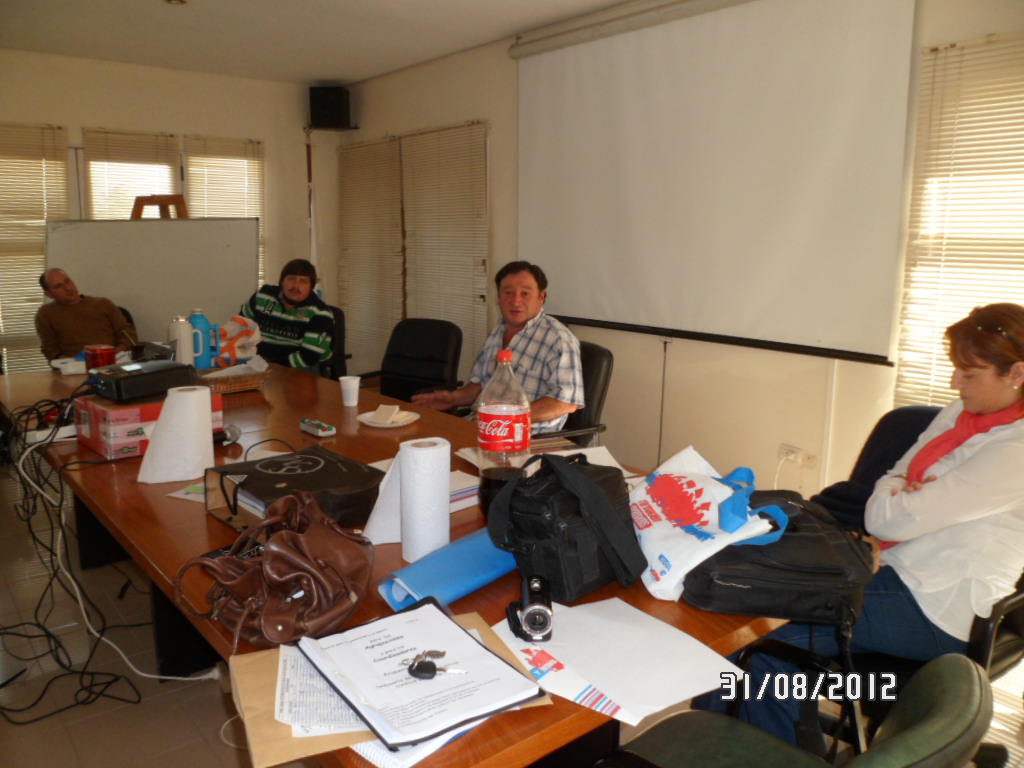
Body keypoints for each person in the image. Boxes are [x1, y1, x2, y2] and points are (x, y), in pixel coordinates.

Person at [696, 303, 1024, 743]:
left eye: (969, 373)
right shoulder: (959, 414)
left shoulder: (1016, 451)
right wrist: (905, 494)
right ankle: (727, 743)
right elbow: (893, 479)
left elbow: (885, 520)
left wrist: (905, 501)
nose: (954, 383)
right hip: (892, 567)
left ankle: (762, 750)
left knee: (755, 646)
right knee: (740, 615)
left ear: (1016, 373)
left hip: (938, 606)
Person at [412, 261, 584, 433]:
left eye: (525, 293)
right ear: (499, 297)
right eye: (508, 293)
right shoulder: (497, 332)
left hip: (526, 436)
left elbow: (565, 403)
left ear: (541, 297)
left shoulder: (558, 340)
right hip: (480, 427)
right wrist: (452, 399)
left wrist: (508, 417)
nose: (515, 301)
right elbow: (478, 386)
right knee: (418, 437)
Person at [241, 259, 334, 371]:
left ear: (311, 287)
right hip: (259, 361)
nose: (296, 286)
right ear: (282, 281)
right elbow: (240, 327)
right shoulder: (263, 296)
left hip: (300, 367)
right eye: (291, 279)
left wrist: (271, 368)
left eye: (303, 281)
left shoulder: (321, 313)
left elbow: (308, 357)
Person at [34, 268, 136, 360]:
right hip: (75, 366)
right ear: (49, 294)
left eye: (67, 281)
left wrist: (112, 354)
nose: (68, 288)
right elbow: (50, 349)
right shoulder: (46, 314)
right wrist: (71, 363)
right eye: (59, 286)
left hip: (112, 361)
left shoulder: (103, 304)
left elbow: (128, 335)